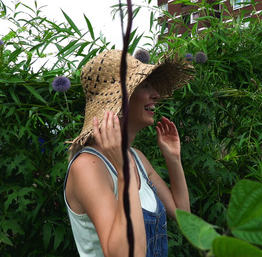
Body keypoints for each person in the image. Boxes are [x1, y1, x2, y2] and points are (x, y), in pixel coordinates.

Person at [63, 50, 195, 256]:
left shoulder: (138, 158)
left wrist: (173, 159)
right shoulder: (88, 167)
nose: (156, 95)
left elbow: (183, 215)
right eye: (145, 86)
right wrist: (124, 172)